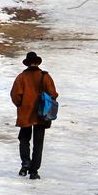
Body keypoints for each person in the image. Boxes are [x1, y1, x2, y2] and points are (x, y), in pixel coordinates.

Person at [10, 51, 58, 179]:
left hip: (26, 114)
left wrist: (21, 105)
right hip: (42, 114)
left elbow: (15, 96)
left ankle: (25, 164)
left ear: (27, 64)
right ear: (37, 62)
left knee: (24, 139)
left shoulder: (21, 77)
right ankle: (34, 171)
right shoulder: (45, 76)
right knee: (38, 143)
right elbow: (53, 94)